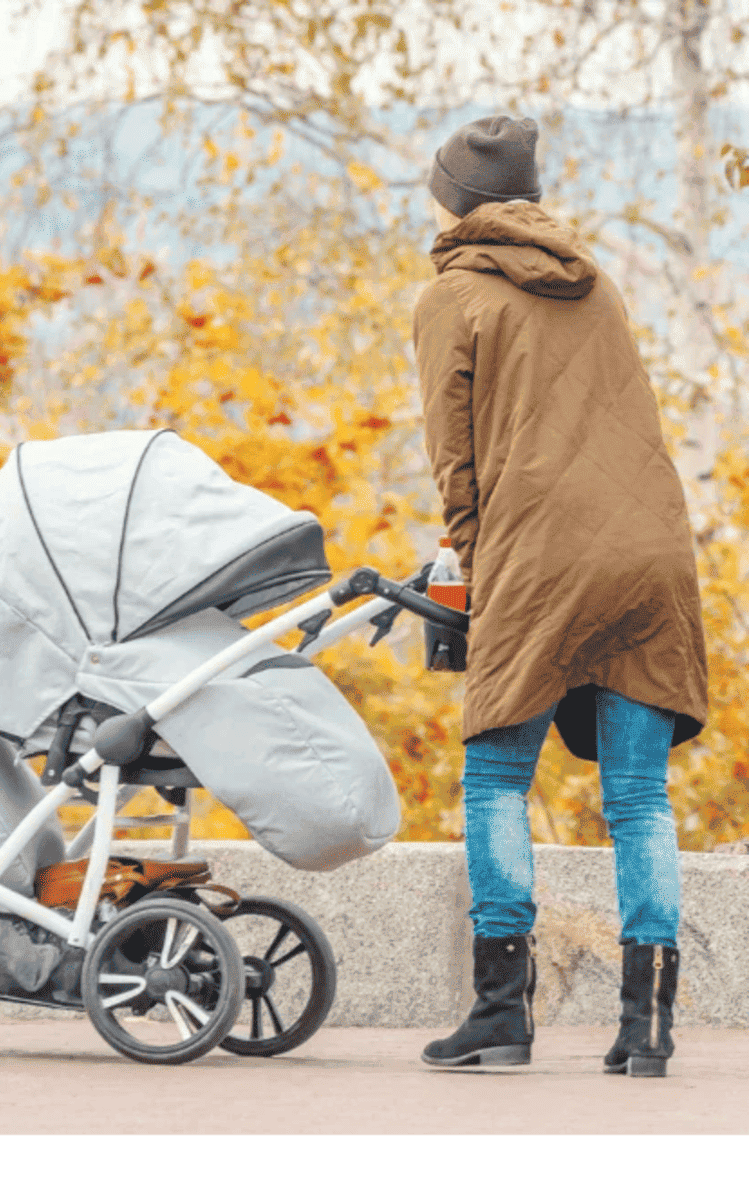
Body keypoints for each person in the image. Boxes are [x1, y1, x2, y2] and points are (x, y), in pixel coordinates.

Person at [412, 115, 708, 1077]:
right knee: (638, 797)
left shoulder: (453, 295)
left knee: (497, 777)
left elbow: (455, 460)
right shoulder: (598, 283)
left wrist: (473, 554)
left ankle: (502, 1012)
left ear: (453, 201)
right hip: (650, 551)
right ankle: (648, 1027)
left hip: (538, 555)